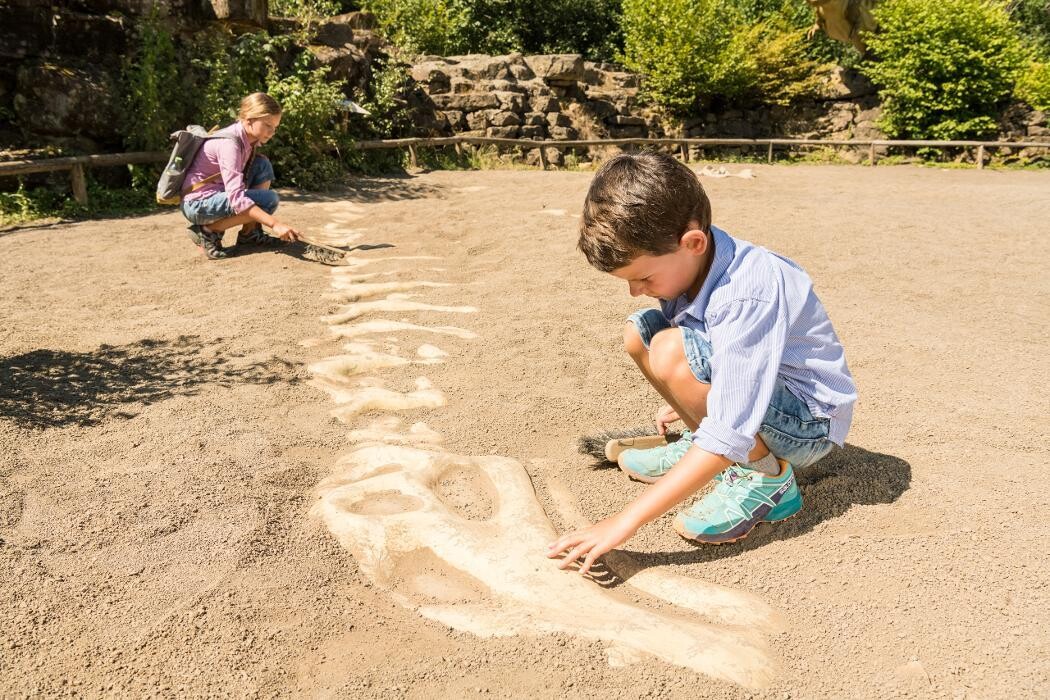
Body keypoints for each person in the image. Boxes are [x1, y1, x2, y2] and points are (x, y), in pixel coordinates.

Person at [548, 152, 857, 574]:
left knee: (673, 349)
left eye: (644, 278)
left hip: (809, 426)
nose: (637, 290)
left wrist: (622, 522)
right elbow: (716, 345)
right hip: (768, 399)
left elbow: (731, 421)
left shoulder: (748, 291)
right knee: (642, 331)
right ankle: (706, 450)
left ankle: (767, 478)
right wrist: (691, 395)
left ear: (693, 243)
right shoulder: (690, 263)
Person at [180, 92, 301, 259]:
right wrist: (276, 224)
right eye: (268, 125)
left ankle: (249, 234)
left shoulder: (248, 138)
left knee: (262, 165)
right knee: (268, 199)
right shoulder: (230, 144)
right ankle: (207, 231)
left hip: (215, 194)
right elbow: (236, 197)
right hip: (198, 204)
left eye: (275, 127)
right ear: (249, 119)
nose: (272, 132)